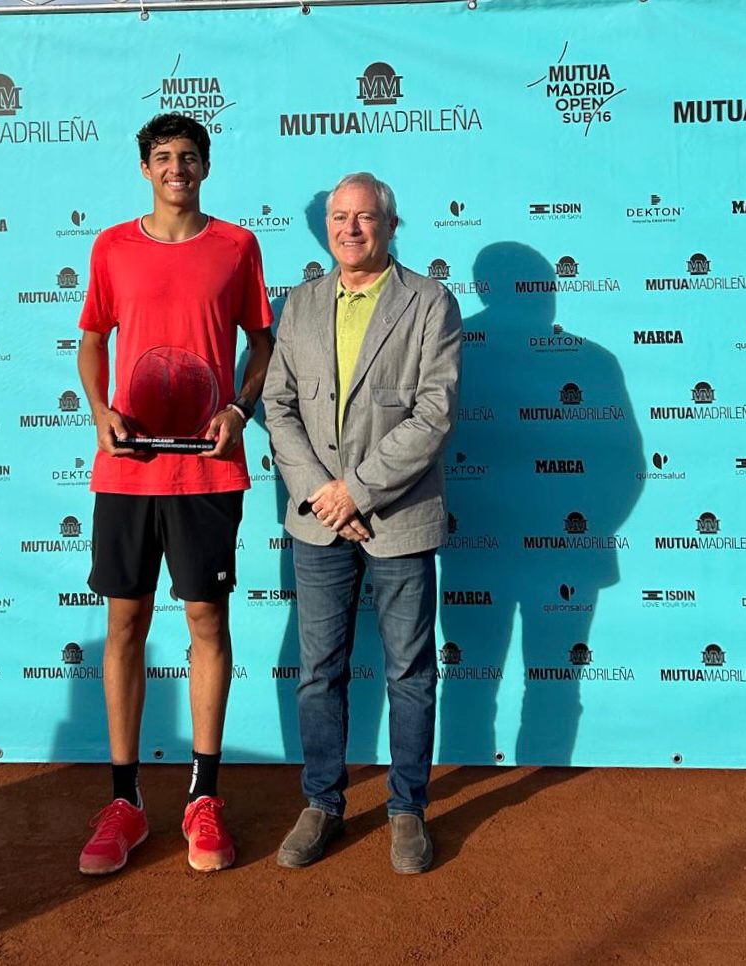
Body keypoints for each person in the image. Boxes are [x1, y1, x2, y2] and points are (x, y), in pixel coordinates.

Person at [75, 113, 273, 875]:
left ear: (206, 167)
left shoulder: (236, 247)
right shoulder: (112, 247)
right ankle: (124, 802)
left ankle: (203, 797)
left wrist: (238, 408)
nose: (176, 169)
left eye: (188, 157)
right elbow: (92, 339)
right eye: (162, 158)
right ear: (144, 169)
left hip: (206, 470)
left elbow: (262, 341)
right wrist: (100, 412)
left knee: (204, 622)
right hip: (129, 470)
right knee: (124, 625)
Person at [262, 172, 462, 873]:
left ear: (391, 223)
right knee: (319, 672)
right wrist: (322, 492)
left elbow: (433, 413)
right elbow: (277, 407)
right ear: (326, 228)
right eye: (339, 217)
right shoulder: (300, 304)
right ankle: (322, 803)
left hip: (398, 517)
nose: (351, 228)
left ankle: (407, 809)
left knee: (409, 671)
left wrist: (359, 492)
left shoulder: (429, 302)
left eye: (365, 217)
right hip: (318, 521)